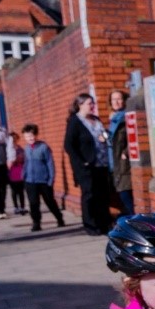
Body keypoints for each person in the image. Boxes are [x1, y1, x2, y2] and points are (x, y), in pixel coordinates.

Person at [63, 93, 113, 235]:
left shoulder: (96, 120)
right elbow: (69, 145)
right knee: (90, 195)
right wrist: (82, 162)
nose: (92, 106)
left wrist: (104, 137)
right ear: (80, 105)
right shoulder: (75, 121)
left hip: (101, 163)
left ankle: (105, 223)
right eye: (88, 103)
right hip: (86, 166)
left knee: (103, 194)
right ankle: (91, 225)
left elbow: (104, 135)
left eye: (93, 103)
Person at [21, 124, 65, 231]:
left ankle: (59, 218)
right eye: (27, 137)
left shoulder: (43, 147)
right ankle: (36, 223)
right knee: (33, 203)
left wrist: (51, 178)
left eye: (31, 136)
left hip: (44, 180)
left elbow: (50, 163)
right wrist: (23, 175)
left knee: (49, 201)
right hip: (30, 181)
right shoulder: (26, 149)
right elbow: (25, 163)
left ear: (36, 135)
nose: (30, 138)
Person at [8, 131, 26, 216]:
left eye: (15, 139)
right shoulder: (8, 149)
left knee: (21, 191)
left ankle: (22, 207)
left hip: (20, 171)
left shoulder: (20, 149)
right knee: (14, 191)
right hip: (12, 172)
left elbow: (23, 158)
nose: (14, 141)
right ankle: (16, 207)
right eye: (12, 139)